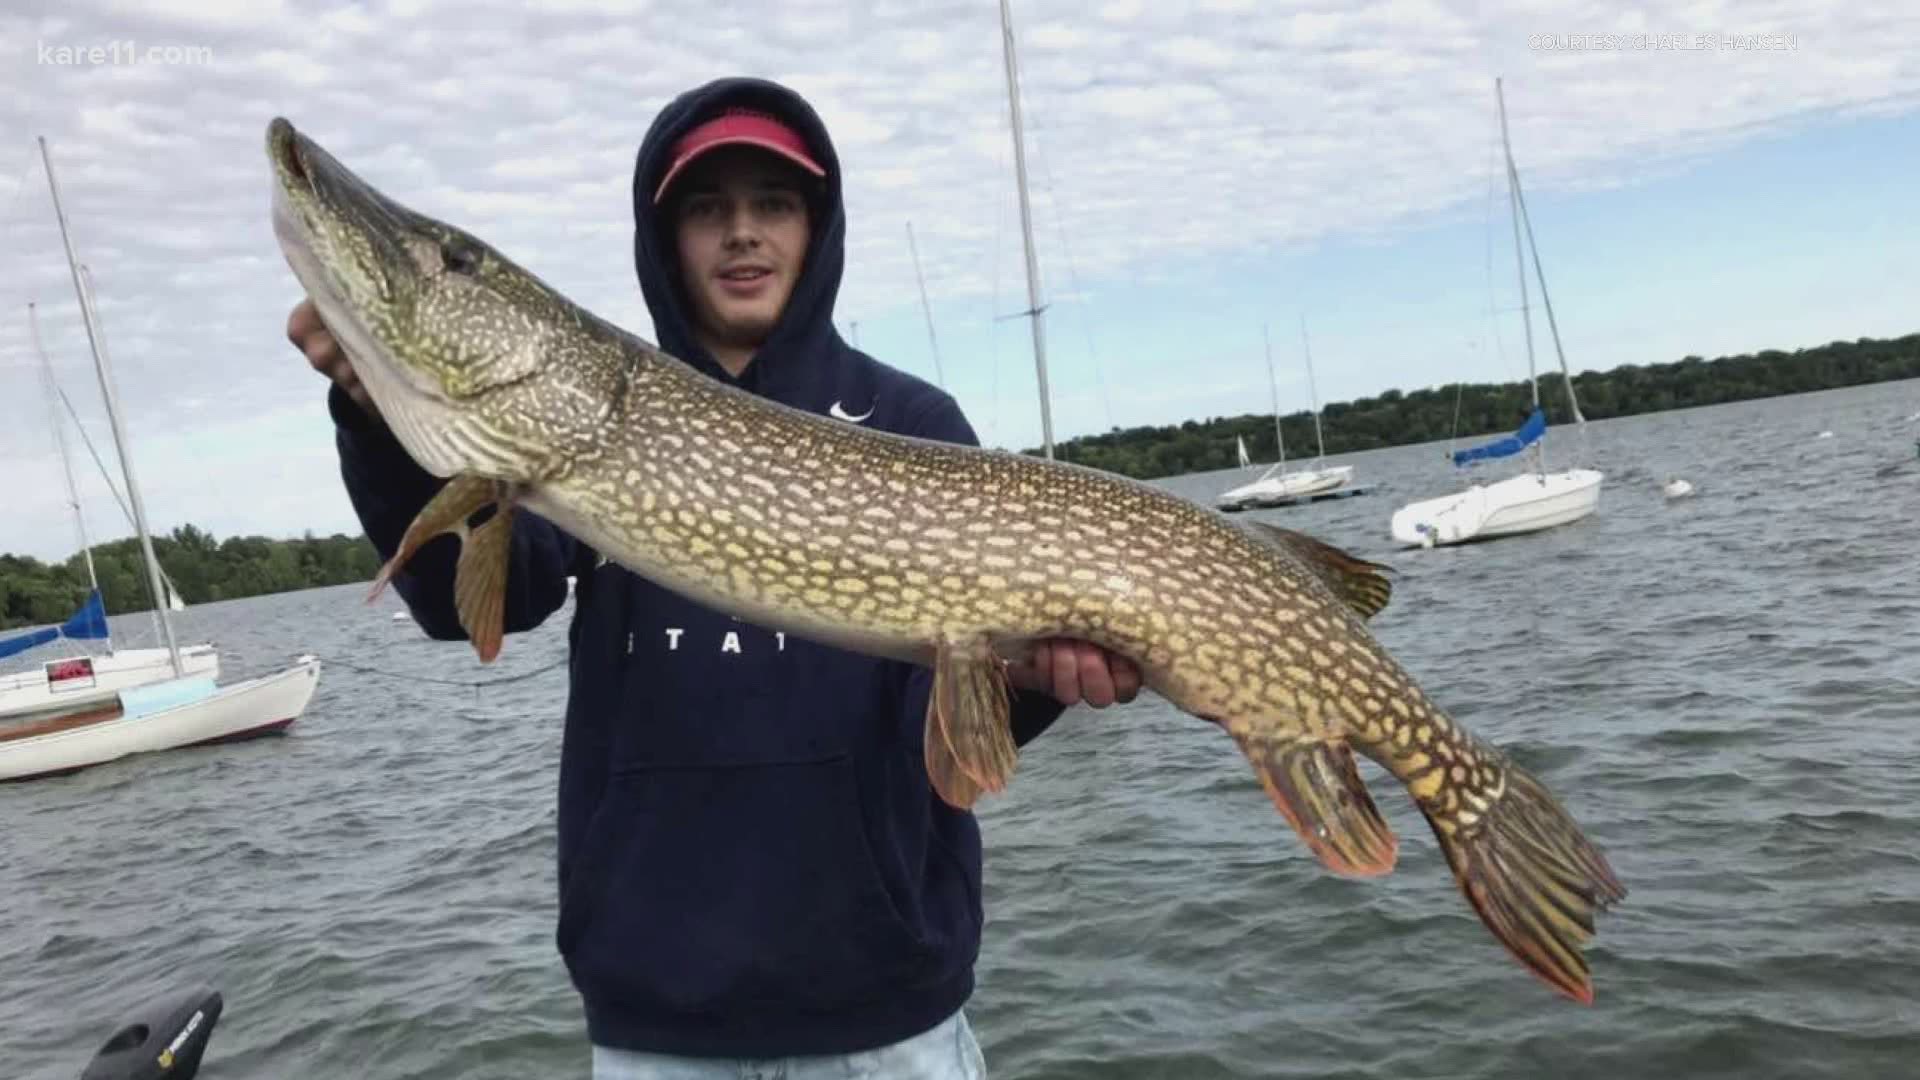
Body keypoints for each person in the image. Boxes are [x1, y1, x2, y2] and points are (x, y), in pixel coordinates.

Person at [288, 76, 1142, 1078]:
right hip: (662, 1021)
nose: (742, 234)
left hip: (886, 1014)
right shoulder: (586, 416)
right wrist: (378, 420)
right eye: (708, 209)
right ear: (667, 240)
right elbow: (474, 601)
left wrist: (1036, 682)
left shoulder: (914, 422)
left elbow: (949, 722)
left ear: (815, 229)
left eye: (772, 205)